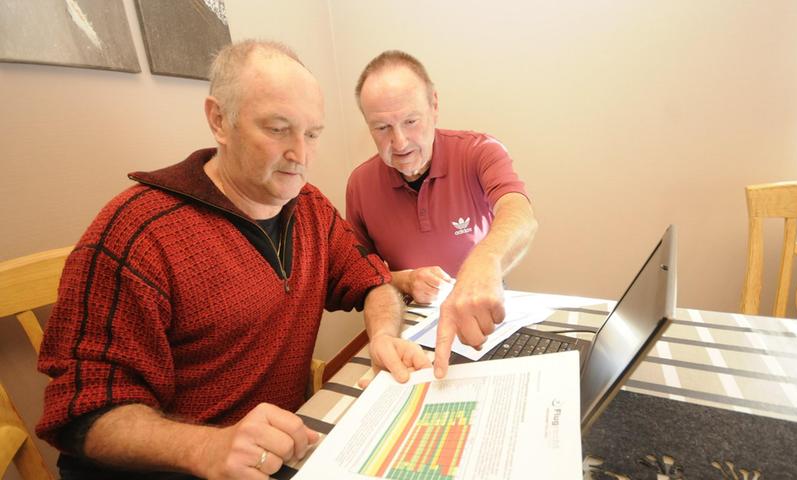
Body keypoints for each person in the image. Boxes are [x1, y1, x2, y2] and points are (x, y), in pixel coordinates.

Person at [35, 40, 429, 480]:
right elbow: (82, 415)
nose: (301, 156)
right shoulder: (138, 233)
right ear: (219, 120)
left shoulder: (311, 209)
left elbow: (372, 280)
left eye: (313, 133)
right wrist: (206, 446)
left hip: (277, 456)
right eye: (278, 129)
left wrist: (382, 336)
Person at [346, 51, 538, 379]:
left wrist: (483, 263)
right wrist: (404, 279)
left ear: (434, 105)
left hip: (481, 314)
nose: (400, 142)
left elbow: (520, 213)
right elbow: (356, 273)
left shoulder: (479, 151)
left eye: (411, 121)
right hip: (407, 330)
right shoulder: (360, 184)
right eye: (382, 127)